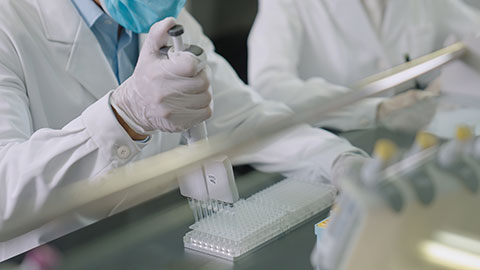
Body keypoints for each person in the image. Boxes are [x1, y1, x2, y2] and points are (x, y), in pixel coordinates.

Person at [0, 0, 366, 261]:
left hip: (152, 241)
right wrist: (124, 115)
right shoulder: (9, 23)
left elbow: (241, 119)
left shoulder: (171, 19)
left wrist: (337, 159)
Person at [248, 0, 480, 132]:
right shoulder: (287, 5)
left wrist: (448, 80)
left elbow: (473, 28)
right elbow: (269, 85)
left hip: (417, 134)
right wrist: (376, 109)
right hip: (336, 141)